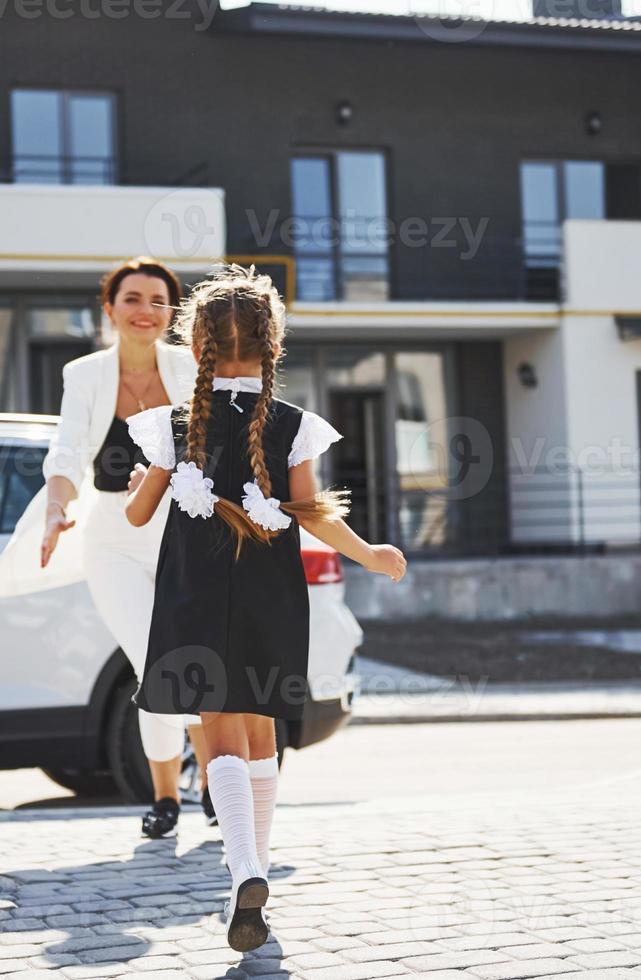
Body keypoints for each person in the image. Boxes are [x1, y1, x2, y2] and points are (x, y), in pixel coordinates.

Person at [123, 265, 407, 952]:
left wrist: (142, 482)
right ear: (273, 347)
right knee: (258, 734)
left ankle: (244, 869)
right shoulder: (294, 426)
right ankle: (254, 875)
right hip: (270, 598)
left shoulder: (172, 425)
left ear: (196, 348)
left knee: (211, 730)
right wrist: (371, 553)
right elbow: (313, 516)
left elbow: (136, 517)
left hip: (195, 597)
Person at [0, 256, 213, 838]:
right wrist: (58, 508)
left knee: (189, 661)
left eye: (159, 300)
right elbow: (66, 454)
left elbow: (214, 452)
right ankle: (168, 794)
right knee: (154, 661)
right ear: (110, 308)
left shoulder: (192, 368)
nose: (146, 311)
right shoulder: (85, 374)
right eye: (133, 299)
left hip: (183, 534)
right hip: (112, 539)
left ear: (173, 311)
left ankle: (211, 785)